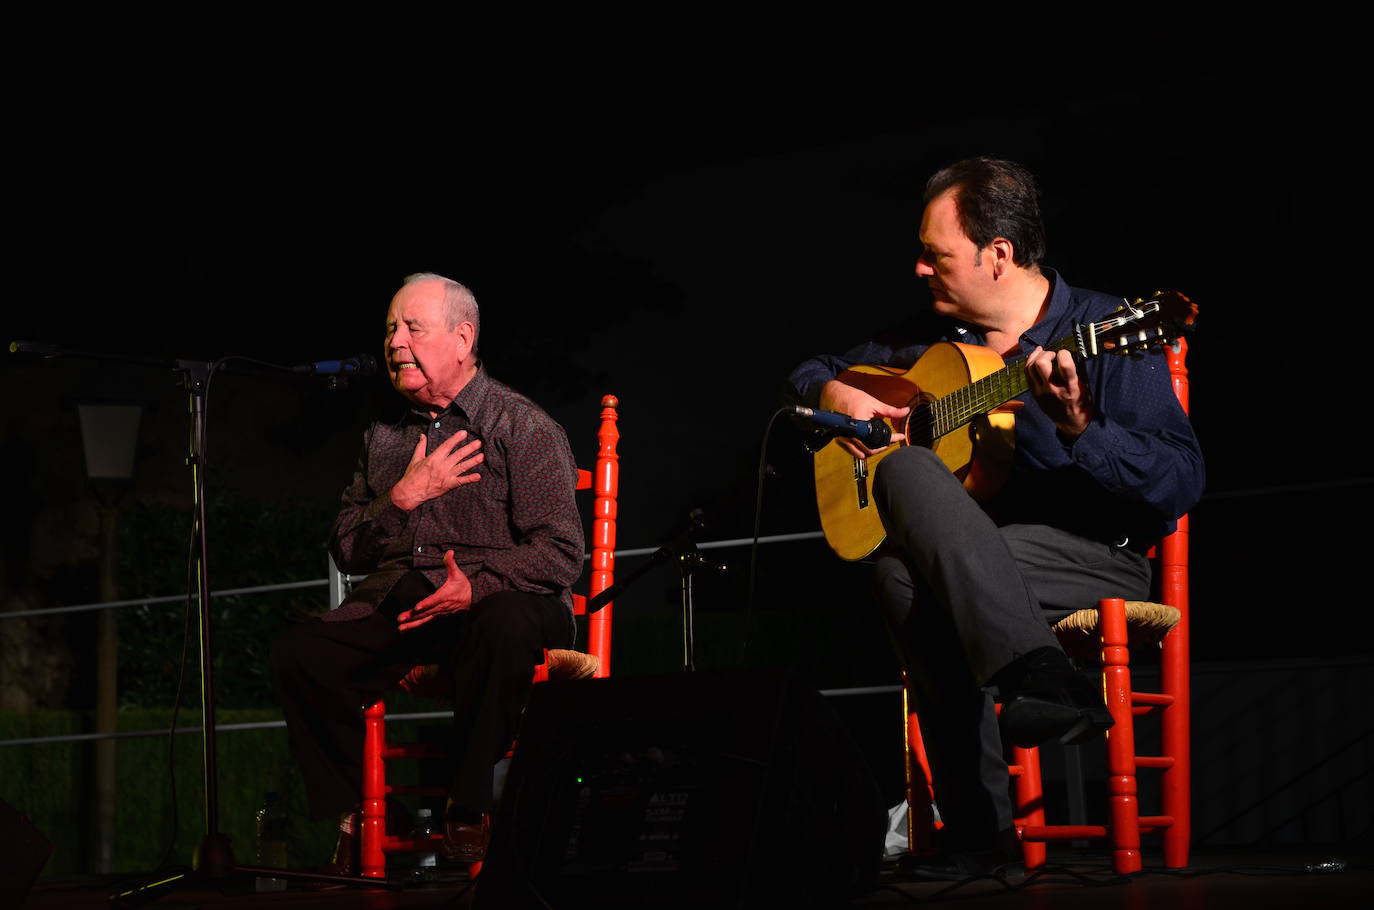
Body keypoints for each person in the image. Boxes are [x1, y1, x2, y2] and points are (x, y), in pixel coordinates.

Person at [783, 157, 1204, 879]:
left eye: (936, 254)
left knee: (906, 507)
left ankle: (981, 834)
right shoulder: (922, 343)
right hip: (983, 566)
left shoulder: (1104, 328)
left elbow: (1179, 482)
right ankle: (1033, 686)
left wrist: (1080, 430)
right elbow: (808, 371)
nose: (919, 268)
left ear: (997, 255)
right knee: (898, 572)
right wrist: (839, 393)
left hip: (1092, 554)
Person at [270, 272, 584, 870]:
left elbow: (562, 551)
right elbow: (347, 550)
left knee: (505, 622)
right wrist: (402, 498)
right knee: (300, 653)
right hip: (408, 600)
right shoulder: (384, 437)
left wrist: (479, 586)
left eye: (413, 328)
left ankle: (468, 806)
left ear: (463, 339)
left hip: (504, 598)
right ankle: (347, 817)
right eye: (391, 328)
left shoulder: (524, 427)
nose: (394, 342)